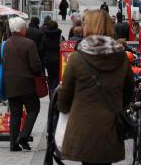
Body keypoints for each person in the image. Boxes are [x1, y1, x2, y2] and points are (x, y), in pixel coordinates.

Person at [57, 9, 135, 165]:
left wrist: (65, 109)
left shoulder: (77, 58)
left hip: (83, 128)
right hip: (111, 128)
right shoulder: (121, 57)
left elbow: (64, 97)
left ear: (88, 27)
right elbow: (128, 93)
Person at [0, 17, 42, 151]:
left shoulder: (4, 44)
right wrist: (37, 73)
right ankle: (23, 136)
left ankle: (13, 144)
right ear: (22, 29)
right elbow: (36, 66)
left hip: (9, 84)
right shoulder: (29, 44)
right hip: (27, 85)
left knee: (15, 113)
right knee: (33, 109)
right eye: (25, 27)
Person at [40, 20, 62, 95]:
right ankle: (53, 89)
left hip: (47, 60)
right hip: (57, 60)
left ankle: (51, 90)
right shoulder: (60, 37)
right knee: (56, 76)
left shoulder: (45, 36)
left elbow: (41, 49)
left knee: (50, 76)